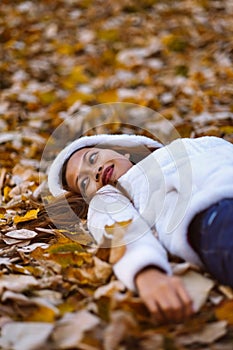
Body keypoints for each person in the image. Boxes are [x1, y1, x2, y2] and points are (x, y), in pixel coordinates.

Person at [47, 133, 233, 323]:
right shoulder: (111, 196)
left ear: (119, 150)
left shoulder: (189, 145)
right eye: (84, 182)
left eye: (92, 158)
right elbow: (118, 227)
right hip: (214, 220)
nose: (94, 171)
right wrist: (147, 273)